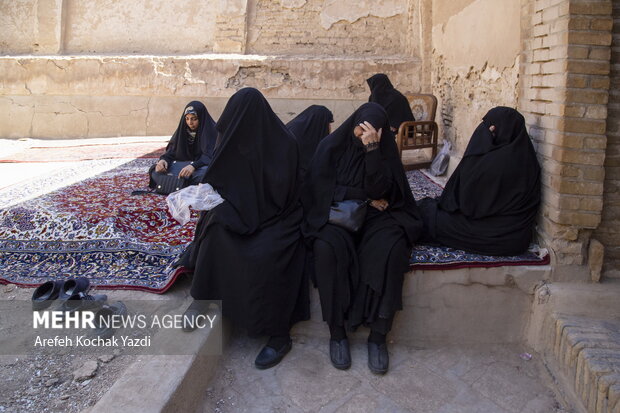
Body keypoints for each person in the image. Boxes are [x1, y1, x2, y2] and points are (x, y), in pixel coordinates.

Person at [183, 88, 308, 370]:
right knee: (213, 229)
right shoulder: (233, 139)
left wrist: (248, 209)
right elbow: (220, 179)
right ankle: (203, 299)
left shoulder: (284, 144)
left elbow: (284, 193)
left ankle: (278, 335)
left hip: (277, 216)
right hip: (242, 209)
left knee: (268, 252)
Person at [302, 102, 423, 374]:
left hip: (375, 218)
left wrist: (373, 151)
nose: (363, 135)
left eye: (371, 132)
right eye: (360, 130)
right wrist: (364, 197)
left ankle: (379, 335)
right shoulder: (331, 147)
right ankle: (337, 333)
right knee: (325, 247)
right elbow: (318, 189)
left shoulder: (382, 151)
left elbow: (383, 190)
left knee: (393, 248)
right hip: (338, 215)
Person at [417, 106, 541, 256]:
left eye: (488, 126)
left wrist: (476, 153)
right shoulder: (525, 157)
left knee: (428, 216)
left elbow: (467, 206)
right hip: (517, 236)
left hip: (495, 235)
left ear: (494, 129)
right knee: (430, 209)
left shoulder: (497, 164)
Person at [151, 101, 217, 186]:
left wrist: (194, 166)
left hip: (200, 167)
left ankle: (173, 181)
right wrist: (163, 160)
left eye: (194, 119)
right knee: (155, 171)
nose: (190, 123)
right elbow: (172, 151)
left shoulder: (211, 131)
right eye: (187, 118)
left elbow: (211, 155)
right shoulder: (182, 131)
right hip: (183, 166)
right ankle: (182, 181)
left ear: (201, 118)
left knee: (208, 174)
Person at [286, 105, 334, 177]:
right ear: (321, 122)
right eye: (328, 123)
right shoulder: (295, 134)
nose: (330, 127)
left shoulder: (302, 129)